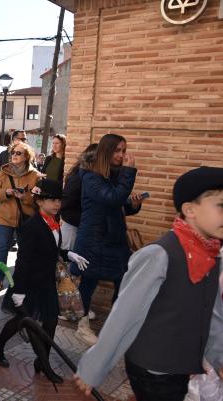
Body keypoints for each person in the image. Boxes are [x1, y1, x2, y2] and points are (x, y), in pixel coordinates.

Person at [75, 166, 223, 401]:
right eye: (221, 206)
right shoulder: (159, 255)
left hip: (182, 365)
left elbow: (212, 313)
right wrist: (93, 368)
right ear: (190, 210)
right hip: (153, 369)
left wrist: (218, 357)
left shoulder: (212, 255)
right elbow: (123, 316)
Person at [0, 179, 89, 384]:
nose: (57, 204)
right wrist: (19, 291)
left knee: (50, 321)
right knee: (22, 321)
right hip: (29, 283)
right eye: (52, 200)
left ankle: (41, 362)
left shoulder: (54, 222)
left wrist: (69, 254)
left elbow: (51, 249)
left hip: (47, 282)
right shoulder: (31, 226)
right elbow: (23, 260)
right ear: (40, 201)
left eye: (59, 200)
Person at [72, 133, 145, 345]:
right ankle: (82, 326)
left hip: (113, 240)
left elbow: (115, 206)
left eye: (124, 150)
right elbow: (111, 198)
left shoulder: (113, 175)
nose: (122, 155)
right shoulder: (91, 176)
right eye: (118, 150)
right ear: (106, 151)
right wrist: (129, 173)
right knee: (88, 282)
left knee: (123, 280)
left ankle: (116, 324)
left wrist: (133, 205)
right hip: (94, 240)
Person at [0, 142, 41, 291]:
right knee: (2, 248)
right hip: (6, 217)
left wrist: (24, 197)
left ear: (27, 157)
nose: (14, 155)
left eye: (19, 153)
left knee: (24, 251)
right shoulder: (4, 172)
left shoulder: (35, 175)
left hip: (26, 218)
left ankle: (20, 279)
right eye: (13, 153)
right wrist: (7, 192)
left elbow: (38, 200)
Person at [60, 143, 98, 253]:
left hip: (83, 230)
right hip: (73, 230)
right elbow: (66, 208)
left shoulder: (95, 178)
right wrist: (88, 222)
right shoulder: (77, 178)